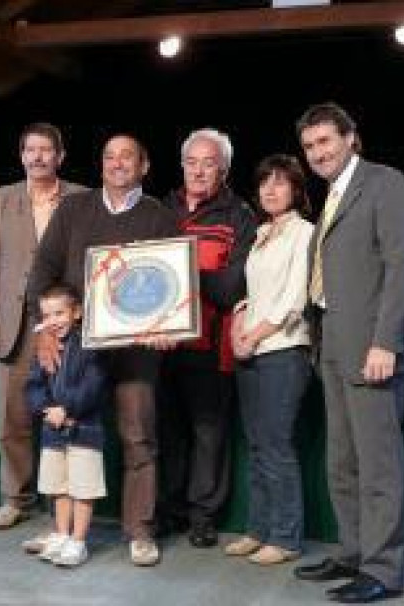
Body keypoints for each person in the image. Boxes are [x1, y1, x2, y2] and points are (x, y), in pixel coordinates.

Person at [292, 102, 404, 603]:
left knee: (378, 466)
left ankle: (383, 570)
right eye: (309, 146)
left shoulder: (385, 183)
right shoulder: (331, 195)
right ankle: (353, 552)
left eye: (325, 141)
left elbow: (401, 265)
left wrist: (386, 342)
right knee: (342, 461)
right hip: (333, 343)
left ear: (351, 138)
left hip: (372, 348)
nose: (317, 153)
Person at [27, 134, 178, 566]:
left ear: (144, 166)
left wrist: (168, 325)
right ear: (101, 165)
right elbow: (42, 270)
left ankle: (140, 531)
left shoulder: (159, 217)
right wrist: (43, 330)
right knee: (64, 434)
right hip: (76, 350)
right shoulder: (74, 209)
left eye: (127, 156)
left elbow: (172, 283)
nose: (117, 163)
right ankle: (61, 529)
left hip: (135, 354)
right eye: (109, 156)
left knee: (138, 437)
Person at [0, 122, 87, 530]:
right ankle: (15, 498)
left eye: (45, 150)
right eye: (30, 150)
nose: (37, 157)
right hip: (13, 327)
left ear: (60, 156)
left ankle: (65, 502)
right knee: (11, 421)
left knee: (68, 413)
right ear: (21, 156)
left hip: (66, 324)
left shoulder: (81, 198)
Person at [156, 128, 257, 548]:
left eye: (209, 163)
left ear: (224, 170)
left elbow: (233, 286)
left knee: (209, 432)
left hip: (210, 346)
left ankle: (203, 515)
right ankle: (170, 510)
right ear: (182, 166)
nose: (198, 171)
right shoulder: (161, 209)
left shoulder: (240, 215)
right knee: (168, 430)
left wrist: (178, 270)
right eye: (191, 162)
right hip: (160, 345)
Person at [225, 154, 314, 566]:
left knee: (277, 445)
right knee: (257, 445)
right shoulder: (261, 233)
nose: (270, 190)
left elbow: (294, 299)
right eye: (264, 183)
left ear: (296, 189)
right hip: (251, 349)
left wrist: (253, 336)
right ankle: (258, 529)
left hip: (284, 350)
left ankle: (286, 537)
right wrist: (237, 329)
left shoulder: (305, 233)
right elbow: (252, 293)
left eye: (280, 182)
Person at [26, 284, 109, 567]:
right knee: (58, 487)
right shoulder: (44, 347)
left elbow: (94, 385)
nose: (53, 321)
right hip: (52, 430)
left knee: (83, 488)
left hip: (84, 430)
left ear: (77, 312)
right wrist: (46, 408)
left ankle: (78, 541)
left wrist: (68, 408)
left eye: (59, 313)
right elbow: (34, 385)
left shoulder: (91, 345)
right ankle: (61, 535)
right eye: (47, 315)